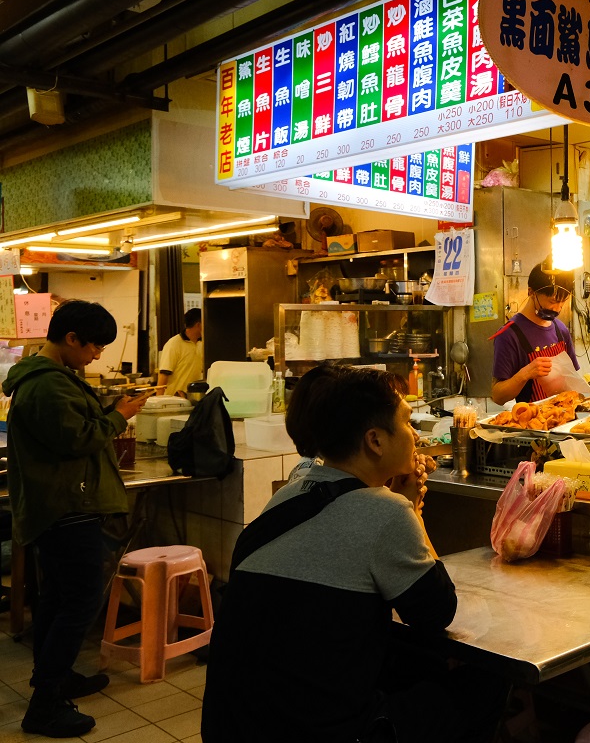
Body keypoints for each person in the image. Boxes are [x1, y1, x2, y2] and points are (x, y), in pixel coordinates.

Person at [203, 364, 500, 743]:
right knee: (483, 682)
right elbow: (437, 612)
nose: (414, 435)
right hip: (319, 734)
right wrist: (410, 509)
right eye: (408, 423)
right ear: (375, 441)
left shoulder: (288, 493)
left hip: (232, 728)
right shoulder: (387, 512)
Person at [2, 300, 152, 737]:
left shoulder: (48, 376)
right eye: (93, 347)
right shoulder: (47, 385)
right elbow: (79, 438)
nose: (97, 356)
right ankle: (45, 705)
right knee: (81, 602)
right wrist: (119, 415)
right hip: (67, 506)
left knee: (57, 598)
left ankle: (56, 677)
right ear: (71, 339)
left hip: (61, 504)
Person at [491, 261, 580, 404]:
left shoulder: (561, 330)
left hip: (566, 417)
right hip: (535, 421)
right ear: (531, 292)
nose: (557, 309)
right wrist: (525, 374)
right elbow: (497, 396)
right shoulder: (509, 335)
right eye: (553, 301)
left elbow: (573, 379)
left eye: (562, 302)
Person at [156, 308, 203, 398]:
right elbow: (163, 376)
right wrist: (159, 402)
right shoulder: (174, 344)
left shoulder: (202, 344)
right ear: (199, 325)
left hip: (193, 400)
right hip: (174, 402)